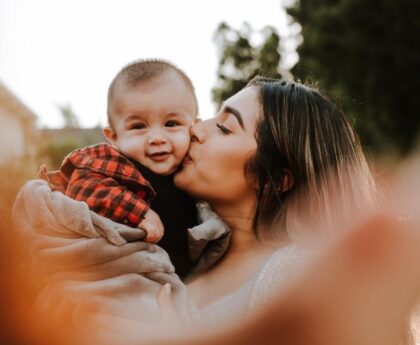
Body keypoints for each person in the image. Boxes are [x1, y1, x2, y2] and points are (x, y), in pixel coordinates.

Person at [13, 76, 389, 343]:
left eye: (225, 127)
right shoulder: (194, 247)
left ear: (276, 177)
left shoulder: (297, 272)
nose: (195, 129)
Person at [39, 59, 201, 279]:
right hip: (124, 278)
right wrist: (137, 212)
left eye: (171, 124)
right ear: (114, 137)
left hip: (179, 284)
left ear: (195, 127)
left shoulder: (196, 169)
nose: (156, 138)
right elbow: (83, 185)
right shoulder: (117, 163)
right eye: (138, 126)